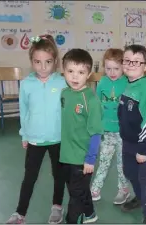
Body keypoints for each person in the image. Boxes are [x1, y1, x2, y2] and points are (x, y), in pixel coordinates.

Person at [6, 34, 67, 224]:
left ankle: (57, 206)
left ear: (55, 61)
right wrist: (24, 134)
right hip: (34, 139)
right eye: (37, 62)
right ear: (31, 62)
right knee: (29, 177)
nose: (43, 66)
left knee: (59, 175)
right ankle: (19, 214)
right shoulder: (26, 84)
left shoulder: (63, 82)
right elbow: (24, 111)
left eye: (48, 62)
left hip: (58, 138)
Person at [118, 45, 146, 224]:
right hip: (129, 142)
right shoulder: (128, 83)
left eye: (135, 62)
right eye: (127, 60)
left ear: (145, 66)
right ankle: (140, 197)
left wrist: (143, 149)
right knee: (130, 172)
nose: (130, 64)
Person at [60, 48, 103, 224]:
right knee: (77, 190)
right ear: (63, 71)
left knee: (75, 196)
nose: (75, 77)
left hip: (82, 157)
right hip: (66, 155)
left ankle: (73, 220)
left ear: (89, 74)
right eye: (70, 71)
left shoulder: (91, 100)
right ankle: (90, 213)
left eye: (81, 72)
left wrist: (90, 159)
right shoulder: (65, 94)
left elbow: (96, 133)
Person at [90, 48, 130, 204]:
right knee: (104, 161)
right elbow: (98, 105)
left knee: (122, 164)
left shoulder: (128, 83)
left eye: (116, 68)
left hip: (123, 133)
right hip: (107, 132)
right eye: (108, 68)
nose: (112, 72)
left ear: (123, 68)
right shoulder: (103, 82)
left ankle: (123, 190)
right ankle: (95, 189)